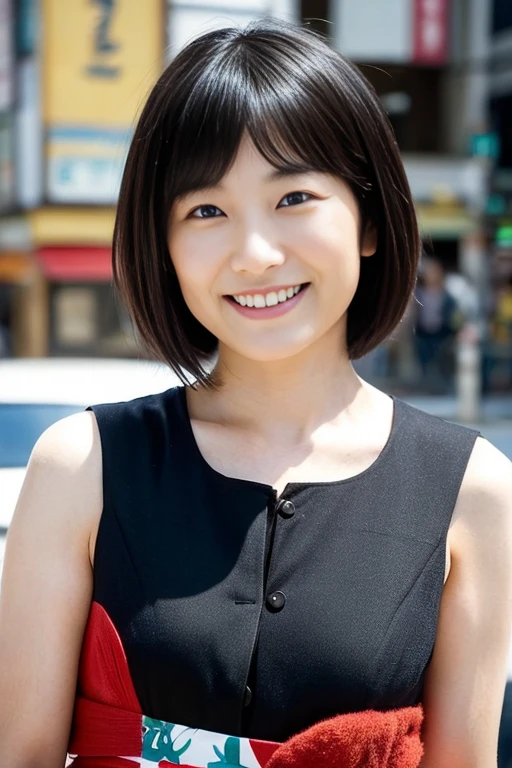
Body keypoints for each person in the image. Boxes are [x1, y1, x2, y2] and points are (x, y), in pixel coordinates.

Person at [0, 18, 511, 768]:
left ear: (368, 219)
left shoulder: (474, 488)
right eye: (206, 211)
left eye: (295, 196)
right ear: (164, 244)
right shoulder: (80, 466)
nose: (256, 254)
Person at [413, 257, 464, 393]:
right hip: (423, 333)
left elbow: (454, 313)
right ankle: (426, 387)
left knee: (442, 361)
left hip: (441, 333)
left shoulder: (447, 294)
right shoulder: (419, 293)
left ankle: (444, 388)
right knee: (424, 361)